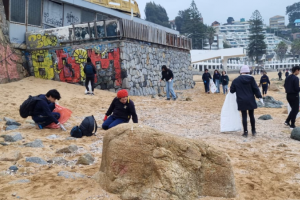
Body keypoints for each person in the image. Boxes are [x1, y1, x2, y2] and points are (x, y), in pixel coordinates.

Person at [230, 65, 263, 137]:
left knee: (244, 116)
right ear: (248, 71)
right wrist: (260, 97)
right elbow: (255, 89)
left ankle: (245, 132)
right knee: (251, 115)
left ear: (241, 72)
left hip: (241, 100)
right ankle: (253, 131)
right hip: (250, 99)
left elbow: (232, 91)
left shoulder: (236, 80)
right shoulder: (251, 79)